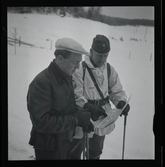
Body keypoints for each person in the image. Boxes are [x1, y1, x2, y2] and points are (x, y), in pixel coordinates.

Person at [27, 38, 94, 160]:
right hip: (49, 149)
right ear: (60, 59)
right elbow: (41, 123)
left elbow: (66, 108)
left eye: (79, 62)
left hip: (65, 142)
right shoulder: (41, 83)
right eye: (75, 62)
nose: (78, 67)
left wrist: (83, 120)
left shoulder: (66, 77)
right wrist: (75, 120)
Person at [70, 34, 130, 159]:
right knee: (76, 150)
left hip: (103, 116)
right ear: (91, 52)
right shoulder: (81, 69)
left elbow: (116, 89)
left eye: (105, 56)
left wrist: (120, 102)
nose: (102, 59)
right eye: (99, 55)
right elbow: (76, 95)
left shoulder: (109, 69)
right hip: (84, 116)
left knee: (96, 151)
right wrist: (88, 107)